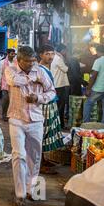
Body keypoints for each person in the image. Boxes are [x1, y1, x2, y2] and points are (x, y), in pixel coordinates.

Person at [5, 46, 56, 206]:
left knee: (34, 157)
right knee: (18, 155)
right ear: (19, 60)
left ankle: (31, 189)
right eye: (28, 62)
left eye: (34, 61)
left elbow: (52, 92)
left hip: (36, 120)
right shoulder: (10, 69)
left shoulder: (40, 71)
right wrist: (32, 79)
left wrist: (38, 97)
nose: (32, 65)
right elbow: (14, 81)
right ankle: (19, 194)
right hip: (16, 118)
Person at [38, 45, 64, 175]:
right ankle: (40, 163)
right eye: (47, 54)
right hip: (45, 105)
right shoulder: (40, 69)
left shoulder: (47, 68)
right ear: (41, 55)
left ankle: (43, 159)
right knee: (44, 132)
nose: (50, 57)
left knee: (47, 132)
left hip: (50, 103)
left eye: (52, 54)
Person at [83, 44, 104, 125]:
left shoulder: (98, 61)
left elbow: (93, 75)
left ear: (98, 52)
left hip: (99, 88)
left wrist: (88, 89)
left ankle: (86, 124)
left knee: (88, 103)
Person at [51, 44, 70, 128]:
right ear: (62, 50)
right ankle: (60, 125)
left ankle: (57, 124)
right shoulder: (58, 58)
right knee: (60, 106)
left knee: (56, 106)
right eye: (65, 50)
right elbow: (65, 69)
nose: (66, 52)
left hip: (54, 84)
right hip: (59, 85)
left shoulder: (52, 58)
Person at [0, 49, 17, 121]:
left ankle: (10, 114)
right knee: (5, 99)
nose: (13, 55)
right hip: (5, 84)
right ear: (8, 54)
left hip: (14, 84)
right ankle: (4, 114)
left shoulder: (16, 62)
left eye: (14, 54)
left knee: (12, 100)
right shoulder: (2, 62)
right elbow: (0, 73)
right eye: (12, 54)